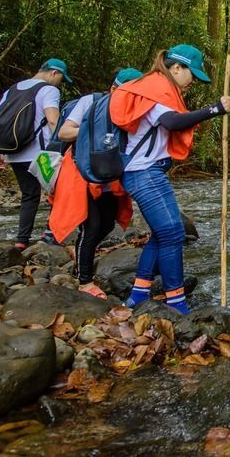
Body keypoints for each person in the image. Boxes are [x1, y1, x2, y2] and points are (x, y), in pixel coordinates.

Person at [109, 45, 230, 314]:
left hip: (147, 172)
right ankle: (177, 303)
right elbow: (172, 123)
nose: (193, 83)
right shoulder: (155, 89)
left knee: (162, 233)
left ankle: (139, 295)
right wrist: (215, 109)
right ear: (177, 68)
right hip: (143, 171)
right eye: (192, 76)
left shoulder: (155, 87)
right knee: (173, 234)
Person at [49, 68, 142, 298]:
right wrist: (95, 131)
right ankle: (84, 281)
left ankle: (81, 252)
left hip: (110, 175)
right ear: (113, 89)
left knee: (108, 224)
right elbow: (64, 133)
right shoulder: (90, 102)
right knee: (91, 226)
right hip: (82, 172)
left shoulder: (135, 110)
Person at [0, 59, 71, 250]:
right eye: (61, 78)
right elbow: (53, 121)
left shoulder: (12, 89)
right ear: (53, 73)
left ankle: (21, 240)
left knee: (29, 195)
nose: (60, 83)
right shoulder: (49, 90)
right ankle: (51, 233)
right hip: (40, 155)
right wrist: (65, 146)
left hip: (14, 152)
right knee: (59, 191)